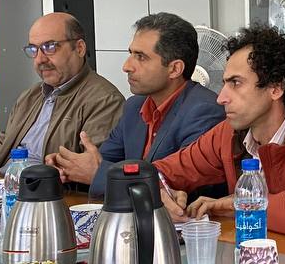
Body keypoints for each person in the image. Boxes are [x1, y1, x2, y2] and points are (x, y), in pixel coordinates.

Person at [154, 23, 285, 237]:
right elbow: (158, 172)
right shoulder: (228, 132)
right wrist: (161, 192)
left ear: (276, 88)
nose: (220, 98)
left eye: (236, 83)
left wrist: (233, 204)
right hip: (252, 251)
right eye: (225, 83)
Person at [45, 13, 224, 196]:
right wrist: (69, 165)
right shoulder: (134, 106)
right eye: (131, 53)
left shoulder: (205, 111)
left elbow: (180, 188)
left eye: (141, 57)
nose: (126, 66)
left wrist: (97, 174)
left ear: (174, 69)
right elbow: (103, 162)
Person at [0, 13, 123, 175]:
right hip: (0, 187)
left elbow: (87, 172)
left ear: (80, 48)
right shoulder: (31, 95)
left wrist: (3, 178)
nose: (40, 59)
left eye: (50, 47)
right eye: (33, 50)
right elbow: (2, 150)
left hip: (43, 195)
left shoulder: (104, 101)